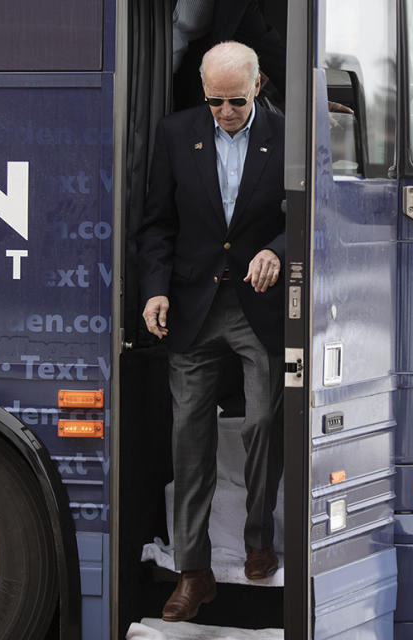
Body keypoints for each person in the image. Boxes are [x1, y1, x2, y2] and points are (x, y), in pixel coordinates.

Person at [136, 40, 285, 622]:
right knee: (188, 439)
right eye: (215, 101)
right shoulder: (177, 134)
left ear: (259, 86)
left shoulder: (285, 135)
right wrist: (153, 288)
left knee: (265, 421)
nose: (225, 112)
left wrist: (277, 249)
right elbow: (156, 224)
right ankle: (193, 572)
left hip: (261, 307)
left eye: (237, 102)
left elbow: (307, 211)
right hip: (193, 303)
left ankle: (257, 539)